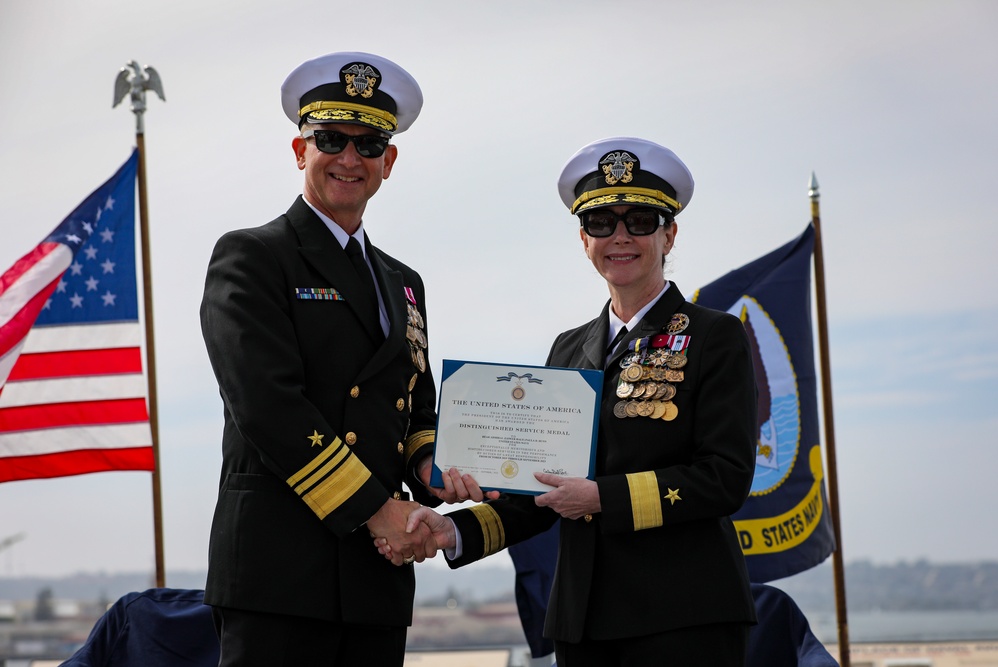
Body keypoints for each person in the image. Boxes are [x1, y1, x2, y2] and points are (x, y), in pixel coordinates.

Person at [387, 137, 759, 665]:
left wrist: (601, 497)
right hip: (583, 622)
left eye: (641, 221)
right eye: (602, 223)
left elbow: (725, 478)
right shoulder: (569, 347)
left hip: (685, 617)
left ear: (669, 233)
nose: (621, 237)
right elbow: (537, 492)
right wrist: (453, 530)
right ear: (584, 239)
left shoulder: (713, 336)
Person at [199, 51, 483, 666]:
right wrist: (378, 510)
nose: (349, 159)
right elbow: (267, 404)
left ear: (390, 160)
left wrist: (436, 467)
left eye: (368, 143)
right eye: (331, 138)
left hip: (376, 574)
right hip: (280, 574)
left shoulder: (404, 283)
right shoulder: (252, 257)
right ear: (300, 150)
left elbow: (414, 408)